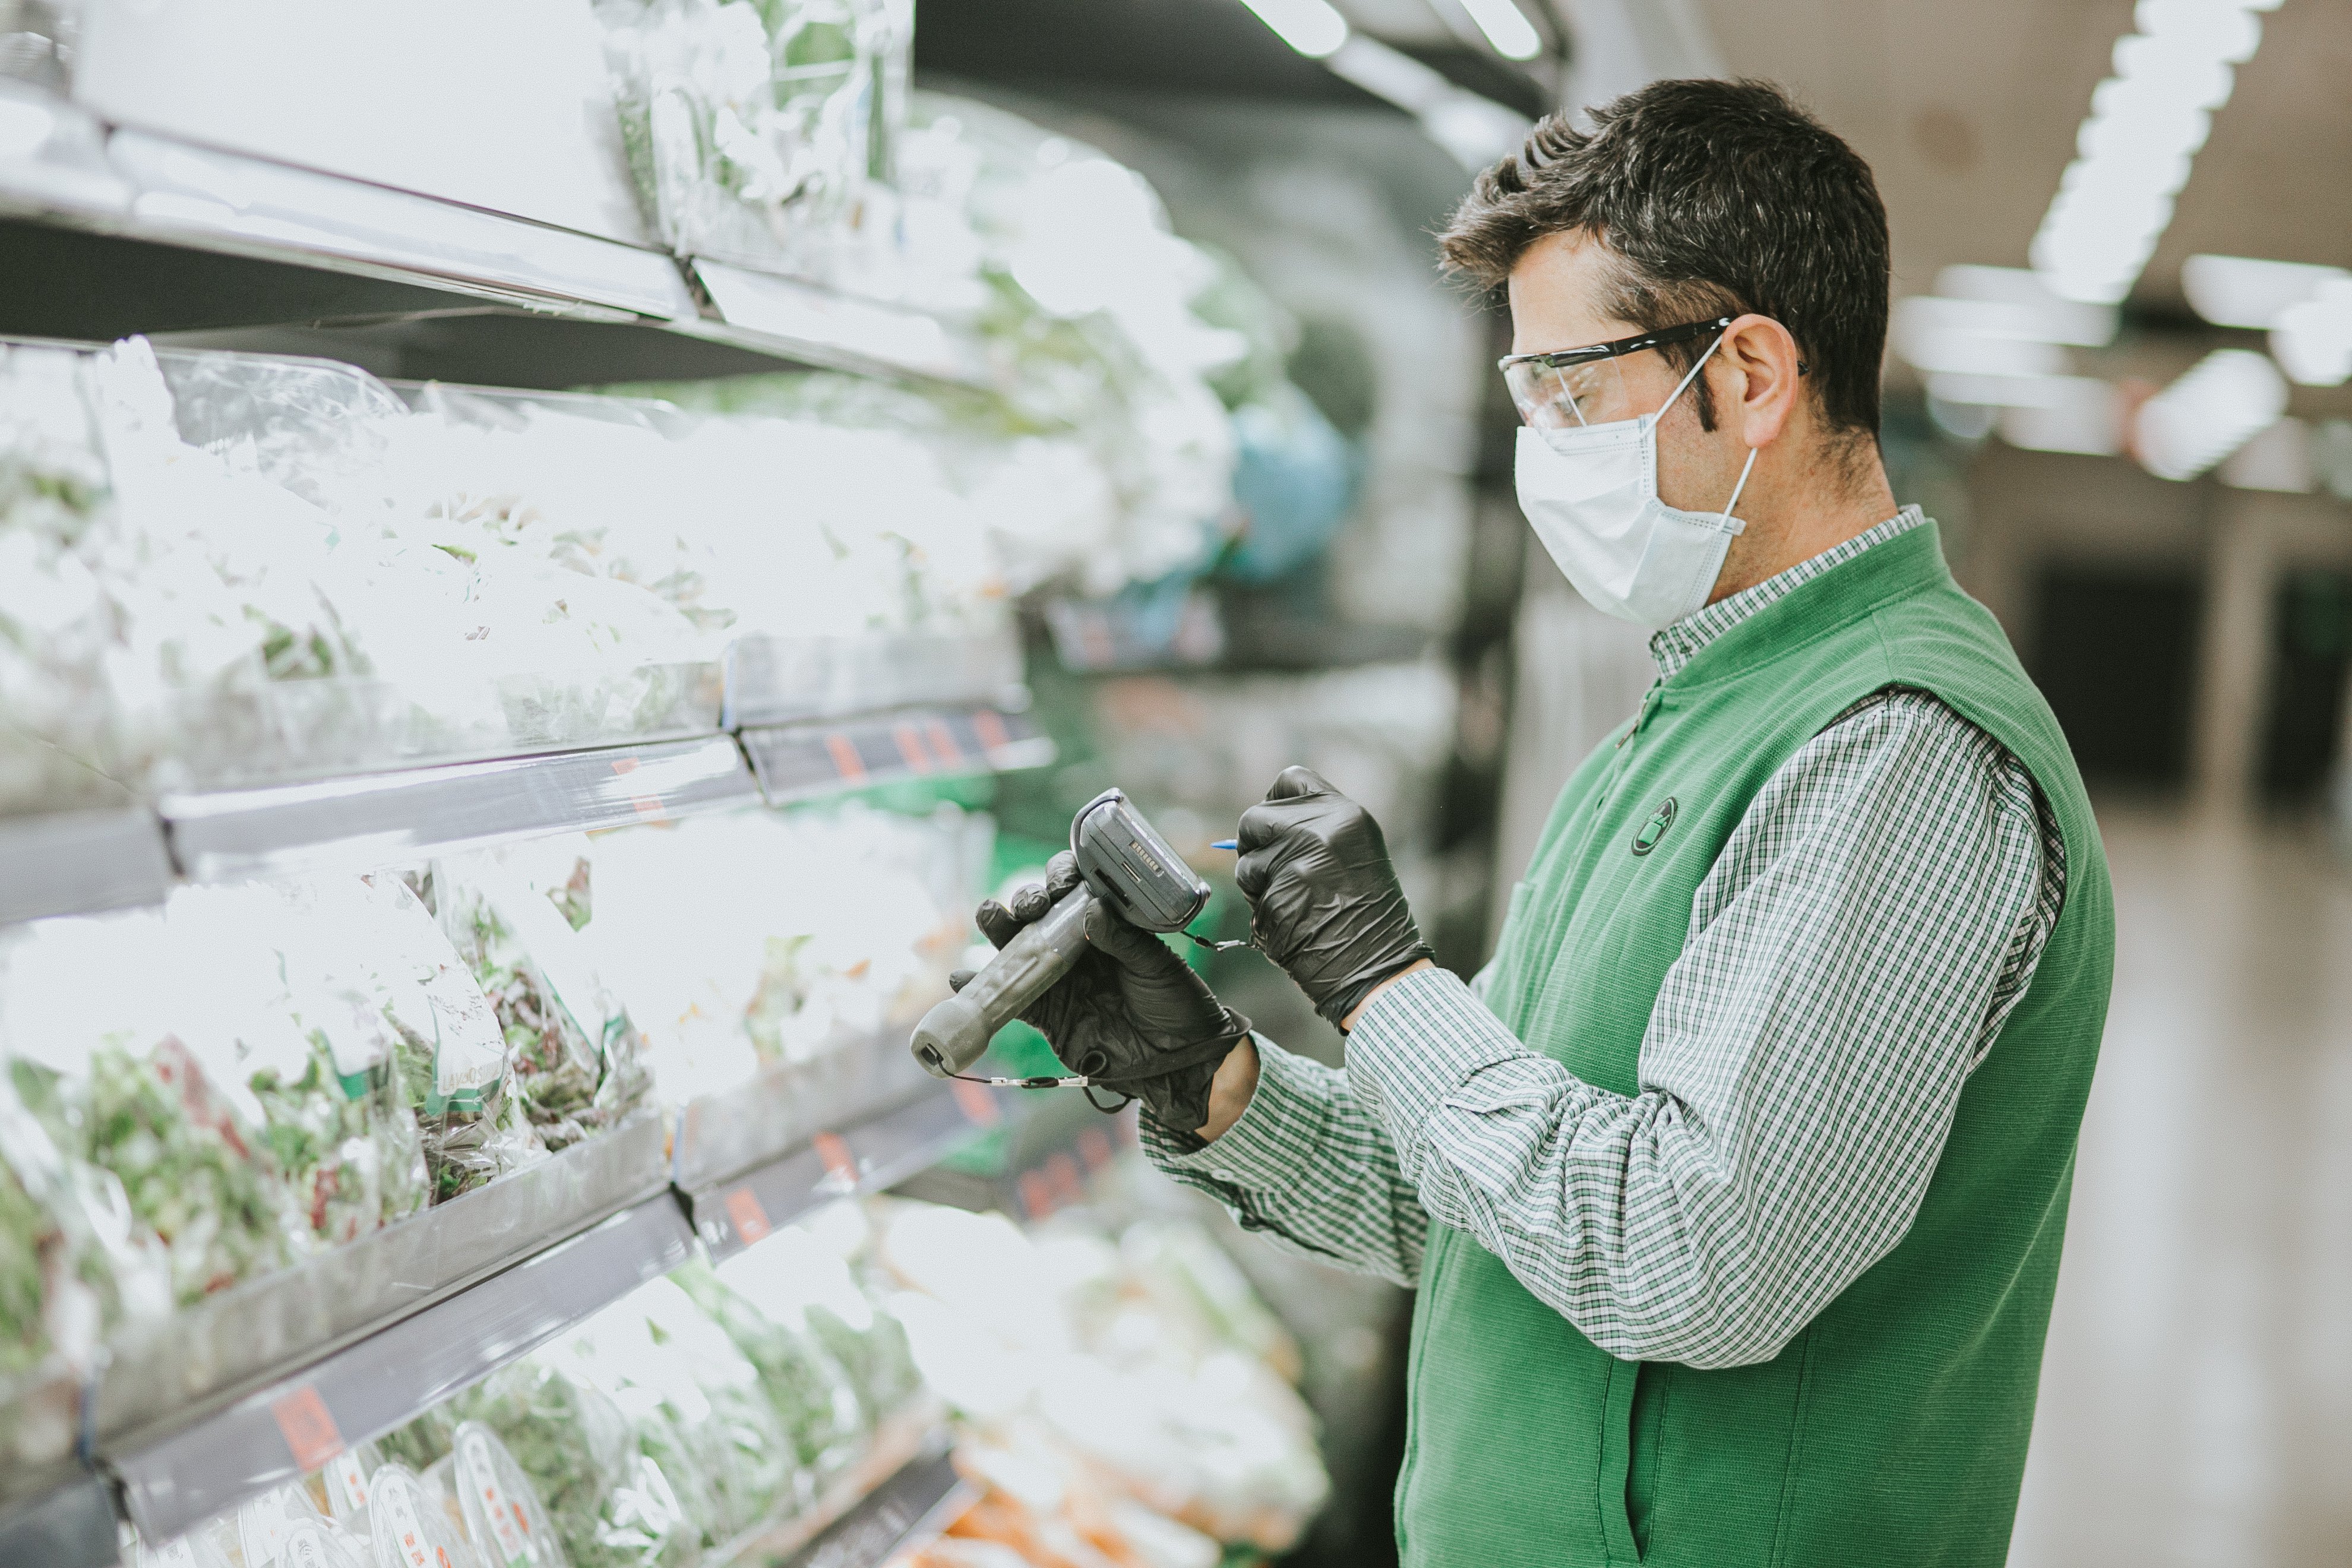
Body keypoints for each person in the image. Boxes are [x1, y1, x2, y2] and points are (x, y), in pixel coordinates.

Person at [959, 78, 2114, 1568]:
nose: (1544, 447)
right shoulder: (1692, 717)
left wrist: (1384, 986)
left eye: (1570, 392)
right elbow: (1501, 1207)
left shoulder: (1900, 750)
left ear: (1748, 375)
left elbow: (1694, 1263)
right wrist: (1216, 1082)